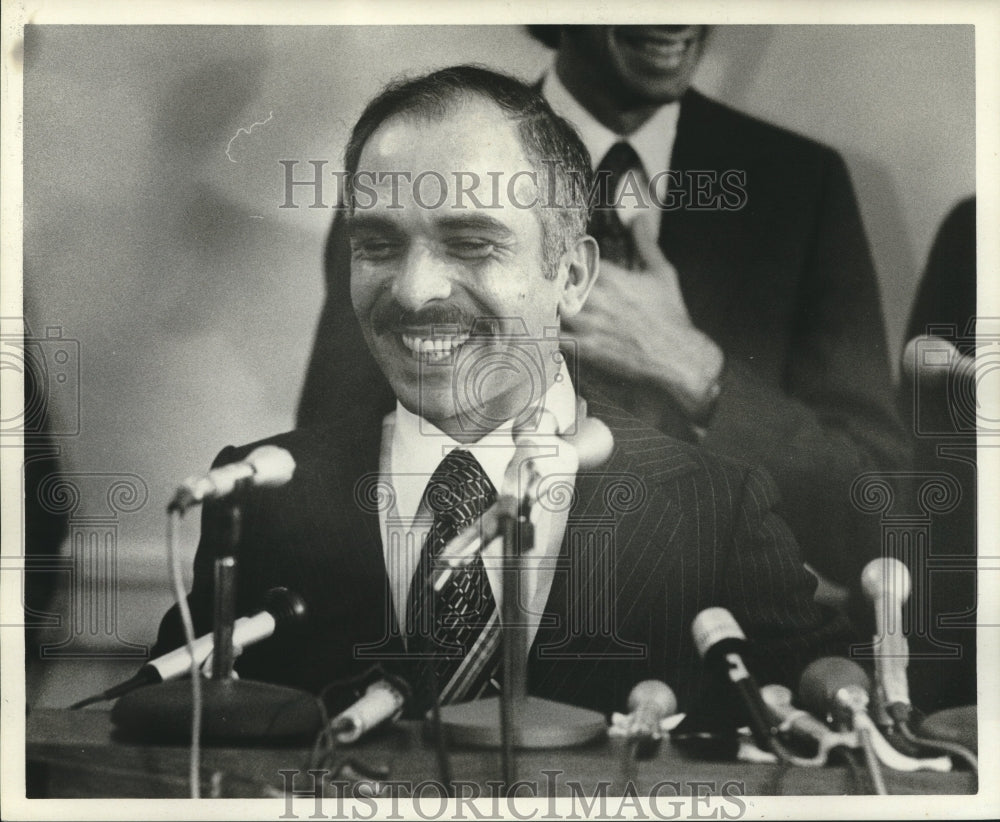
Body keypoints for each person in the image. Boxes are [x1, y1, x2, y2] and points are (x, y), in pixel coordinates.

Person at [156, 67, 849, 718]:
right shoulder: (263, 500)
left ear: (571, 276)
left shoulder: (715, 511)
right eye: (378, 244)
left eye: (470, 244)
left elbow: (834, 735)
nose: (414, 290)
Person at [297, 26, 910, 588]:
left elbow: (882, 522)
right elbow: (332, 472)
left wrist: (698, 371)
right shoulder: (406, 175)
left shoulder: (801, 183)